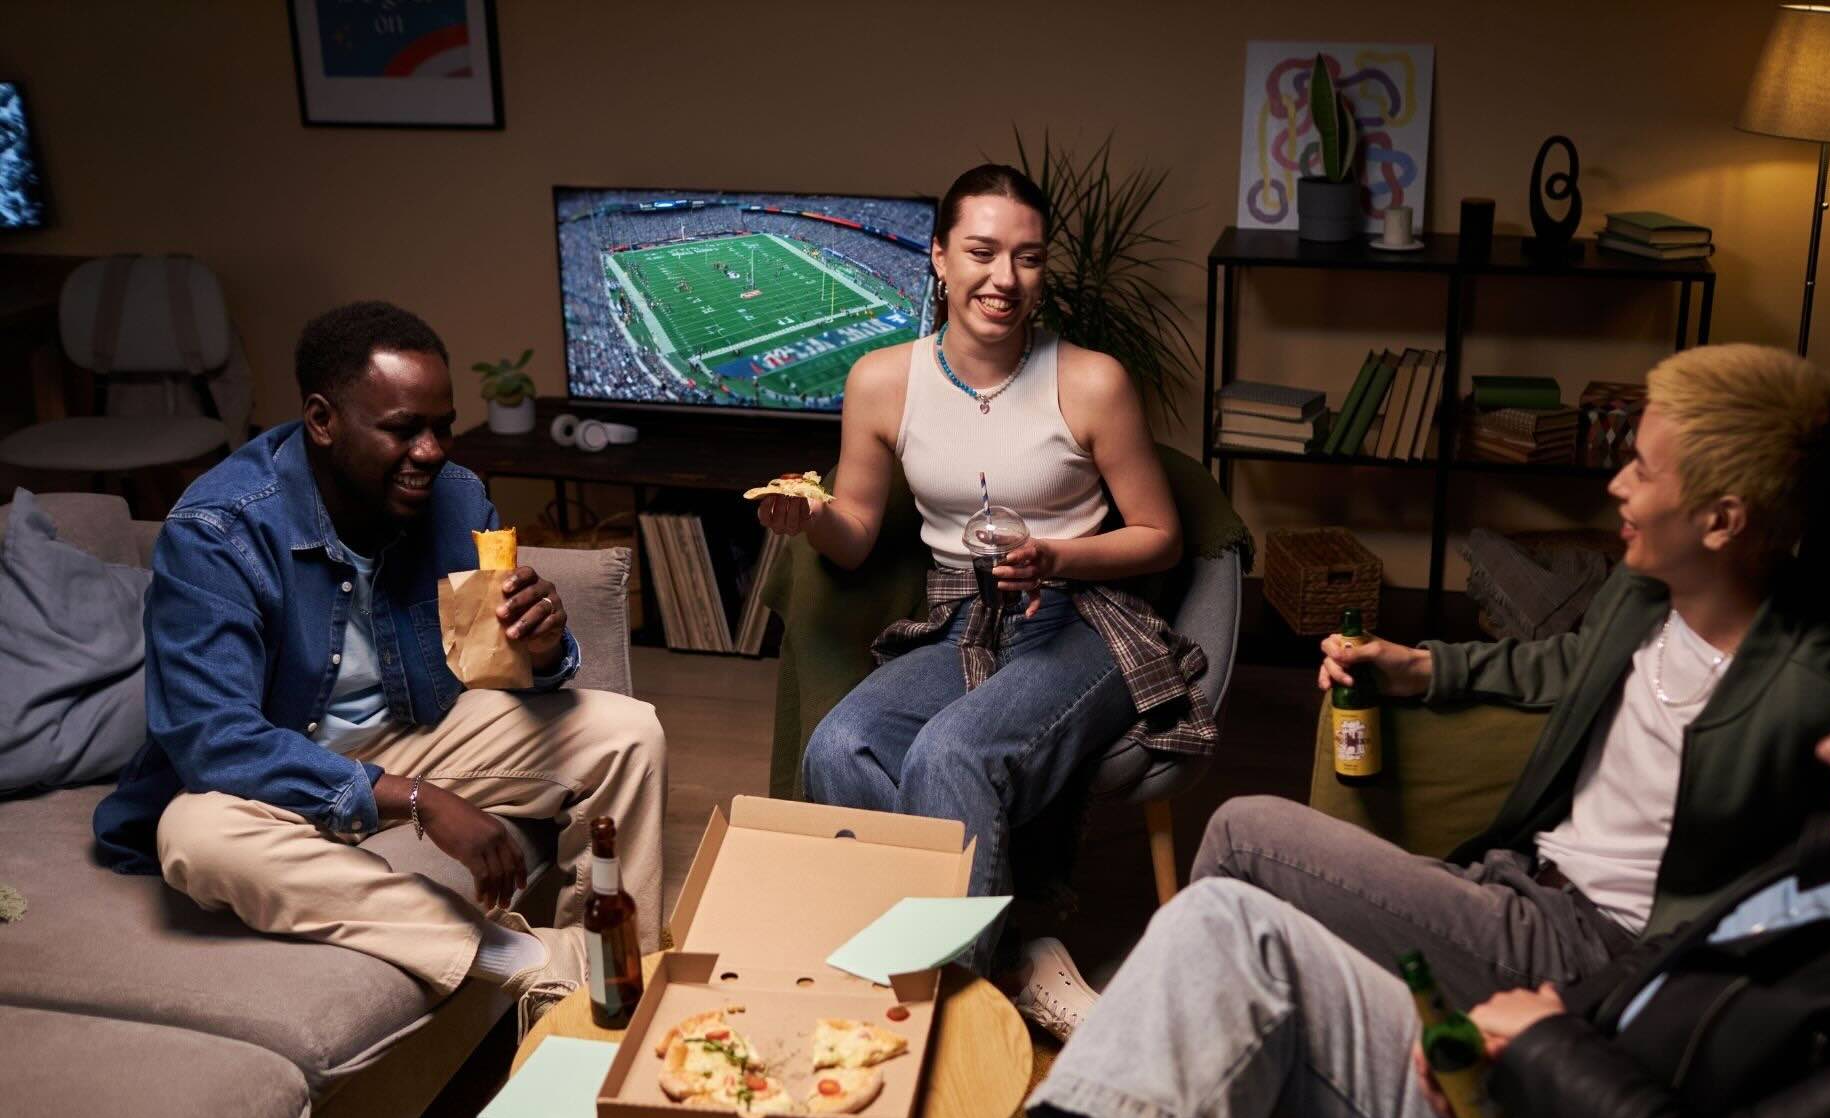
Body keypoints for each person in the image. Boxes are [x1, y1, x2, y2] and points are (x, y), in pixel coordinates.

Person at [1024, 608, 1830, 1118]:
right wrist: (1535, 1024)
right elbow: (1662, 967)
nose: (1829, 746)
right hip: (1528, 1106)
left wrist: (1542, 1049)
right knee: (1221, 921)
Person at [1193, 344, 1830, 1007]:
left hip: (1593, 952)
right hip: (1516, 875)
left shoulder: (1812, 699)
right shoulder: (1649, 587)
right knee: (1261, 953)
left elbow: (1808, 910)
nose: (1616, 484)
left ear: (1723, 521)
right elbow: (1574, 660)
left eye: (1644, 472)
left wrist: (1589, 1014)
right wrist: (1420, 667)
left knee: (1239, 838)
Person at [93, 301, 666, 1031]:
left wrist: (544, 646)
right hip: (273, 770)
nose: (431, 451)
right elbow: (214, 741)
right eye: (402, 429)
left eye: (442, 427)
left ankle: (621, 965)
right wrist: (418, 799)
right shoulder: (218, 531)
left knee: (627, 732)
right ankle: (523, 963)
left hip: (407, 730)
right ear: (323, 420)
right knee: (195, 841)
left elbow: (495, 669)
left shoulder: (456, 496)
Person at [757, 164, 1214, 1032]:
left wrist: (1059, 558)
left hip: (1083, 620)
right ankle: (998, 952)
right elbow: (853, 530)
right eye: (982, 251)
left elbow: (1162, 535)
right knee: (838, 747)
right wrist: (805, 518)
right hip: (960, 616)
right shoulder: (882, 381)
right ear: (937, 257)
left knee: (953, 754)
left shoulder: (1092, 381)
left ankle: (951, 1018)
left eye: (1029, 257)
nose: (1005, 278)